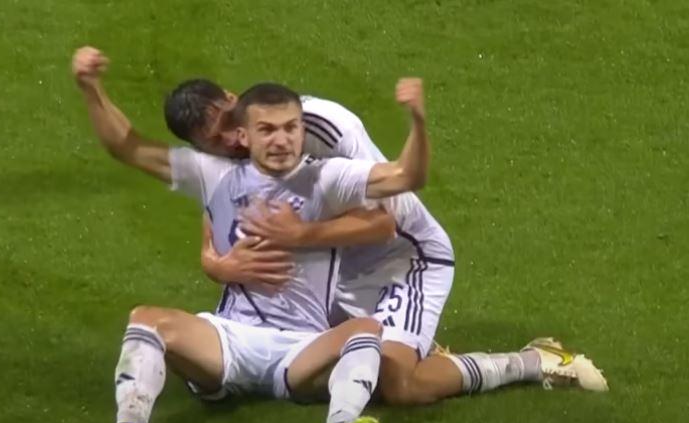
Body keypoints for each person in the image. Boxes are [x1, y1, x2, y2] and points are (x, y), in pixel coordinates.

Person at [71, 46, 432, 423]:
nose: (280, 140)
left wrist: (417, 121)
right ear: (246, 135)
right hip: (230, 338)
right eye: (266, 130)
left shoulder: (330, 176)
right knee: (146, 318)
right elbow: (128, 147)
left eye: (290, 128)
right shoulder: (210, 173)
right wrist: (91, 87)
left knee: (366, 329)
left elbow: (407, 178)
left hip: (301, 346)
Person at [163, 78, 609, 403]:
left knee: (399, 387)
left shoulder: (326, 128)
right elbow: (220, 210)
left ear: (232, 98)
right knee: (314, 364)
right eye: (215, 143)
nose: (231, 144)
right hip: (339, 268)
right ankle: (412, 344)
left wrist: (301, 235)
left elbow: (384, 222)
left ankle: (532, 361)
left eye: (228, 127)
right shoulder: (246, 142)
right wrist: (214, 263)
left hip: (400, 261)